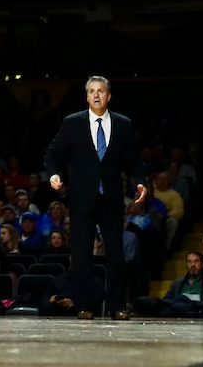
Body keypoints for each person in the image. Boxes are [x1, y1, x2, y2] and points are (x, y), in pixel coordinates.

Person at [44, 75, 148, 320]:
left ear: (108, 96)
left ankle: (116, 306)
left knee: (115, 255)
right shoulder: (73, 123)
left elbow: (134, 160)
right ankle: (84, 306)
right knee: (81, 256)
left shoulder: (123, 124)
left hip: (111, 199)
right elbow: (52, 154)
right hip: (81, 199)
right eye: (92, 91)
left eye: (101, 91)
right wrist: (54, 175)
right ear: (87, 96)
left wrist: (141, 182)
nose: (97, 95)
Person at [131, 252, 203, 318]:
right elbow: (167, 300)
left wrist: (194, 304)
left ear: (202, 263)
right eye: (189, 262)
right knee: (148, 302)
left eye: (196, 261)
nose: (192, 264)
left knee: (180, 301)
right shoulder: (178, 282)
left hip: (198, 310)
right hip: (177, 310)